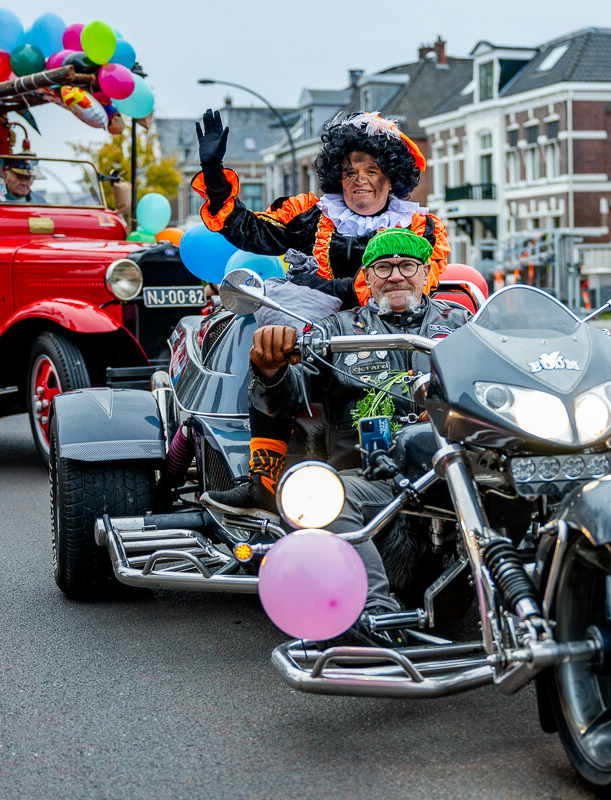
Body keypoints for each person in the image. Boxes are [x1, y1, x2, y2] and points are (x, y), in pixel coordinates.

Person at [202, 229, 470, 627]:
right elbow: (288, 398)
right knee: (321, 498)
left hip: (453, 470)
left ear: (426, 273)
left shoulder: (461, 324)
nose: (396, 276)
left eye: (408, 266)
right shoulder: (335, 330)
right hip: (371, 476)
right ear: (367, 277)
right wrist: (271, 368)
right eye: (383, 267)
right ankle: (376, 613)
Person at [192, 109, 450, 309]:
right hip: (317, 338)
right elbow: (250, 231)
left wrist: (316, 286)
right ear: (338, 177)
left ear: (391, 178)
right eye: (350, 172)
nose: (360, 180)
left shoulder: (422, 228)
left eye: (372, 171)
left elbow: (414, 288)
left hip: (388, 336)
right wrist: (214, 176)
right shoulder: (309, 216)